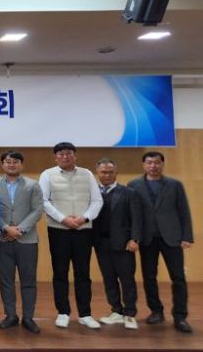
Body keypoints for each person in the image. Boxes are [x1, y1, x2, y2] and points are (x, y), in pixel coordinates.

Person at [127, 151, 194, 333]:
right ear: (144, 165)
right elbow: (132, 214)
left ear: (162, 164)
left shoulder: (175, 185)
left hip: (172, 237)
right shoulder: (134, 185)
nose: (153, 166)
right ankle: (156, 311)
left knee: (178, 277)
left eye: (157, 162)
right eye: (149, 162)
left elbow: (184, 211)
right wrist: (133, 237)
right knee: (149, 276)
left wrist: (187, 236)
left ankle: (180, 317)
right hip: (147, 238)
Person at [38, 142, 103, 330]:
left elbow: (97, 201)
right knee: (60, 272)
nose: (65, 157)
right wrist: (63, 219)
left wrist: (84, 218)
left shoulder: (87, 174)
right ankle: (63, 312)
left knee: (83, 273)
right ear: (55, 157)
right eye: (60, 154)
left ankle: (85, 314)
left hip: (83, 230)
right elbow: (43, 201)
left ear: (75, 156)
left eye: (68, 153)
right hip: (59, 230)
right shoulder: (47, 174)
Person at [0, 151, 43, 334]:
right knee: (6, 280)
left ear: (21, 165)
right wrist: (5, 227)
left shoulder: (33, 185)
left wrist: (19, 229)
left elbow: (37, 210)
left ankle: (28, 317)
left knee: (28, 280)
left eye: (15, 162)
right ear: (2, 164)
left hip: (27, 240)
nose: (11, 165)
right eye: (8, 162)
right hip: (3, 240)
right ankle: (10, 315)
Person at [93, 158, 142, 330]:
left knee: (127, 279)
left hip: (124, 244)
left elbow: (137, 218)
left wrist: (135, 239)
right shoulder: (92, 193)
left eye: (110, 172)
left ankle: (130, 313)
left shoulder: (129, 193)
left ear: (116, 173)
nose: (107, 175)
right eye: (103, 172)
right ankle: (116, 310)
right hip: (101, 243)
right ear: (97, 173)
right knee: (109, 279)